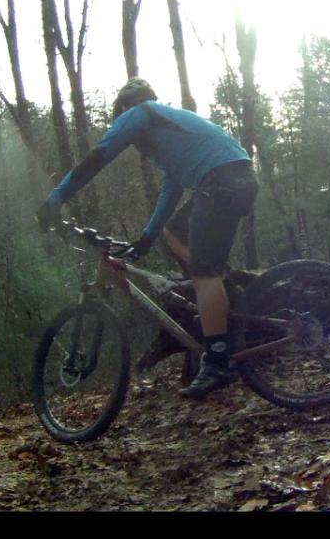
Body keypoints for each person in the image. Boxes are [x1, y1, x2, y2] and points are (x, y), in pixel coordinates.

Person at [36, 77, 259, 399]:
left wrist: (55, 199)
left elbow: (99, 156)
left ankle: (219, 360)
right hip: (236, 177)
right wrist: (147, 237)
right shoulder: (170, 133)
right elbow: (172, 188)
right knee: (175, 233)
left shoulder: (139, 114)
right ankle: (222, 294)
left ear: (125, 108)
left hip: (221, 181)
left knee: (203, 274)